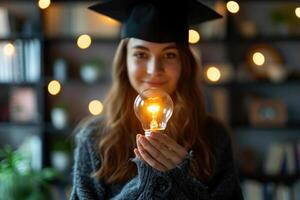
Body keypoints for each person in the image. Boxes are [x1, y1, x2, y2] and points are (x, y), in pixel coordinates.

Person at [70, 0, 244, 199]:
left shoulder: (214, 137)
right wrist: (146, 182)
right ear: (124, 63)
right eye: (141, 54)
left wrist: (180, 180)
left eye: (169, 54)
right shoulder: (94, 138)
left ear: (184, 64)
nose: (154, 70)